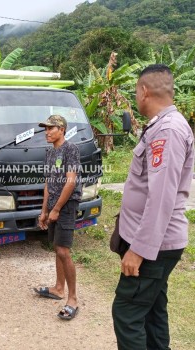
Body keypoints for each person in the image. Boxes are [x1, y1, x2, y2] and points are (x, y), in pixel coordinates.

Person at [112, 64, 194, 349]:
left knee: (127, 312)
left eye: (136, 91)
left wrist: (138, 250)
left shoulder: (167, 131)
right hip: (159, 244)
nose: (136, 97)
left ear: (144, 91)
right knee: (152, 311)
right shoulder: (163, 126)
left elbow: (161, 197)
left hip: (154, 247)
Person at [34, 115, 81, 321]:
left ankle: (72, 299)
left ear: (61, 129)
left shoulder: (71, 150)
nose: (47, 132)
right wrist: (44, 211)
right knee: (56, 247)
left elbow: (70, 182)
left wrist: (57, 209)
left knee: (63, 250)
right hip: (53, 205)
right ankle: (58, 288)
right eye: (45, 129)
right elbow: (48, 183)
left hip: (66, 205)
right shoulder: (50, 153)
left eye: (51, 128)